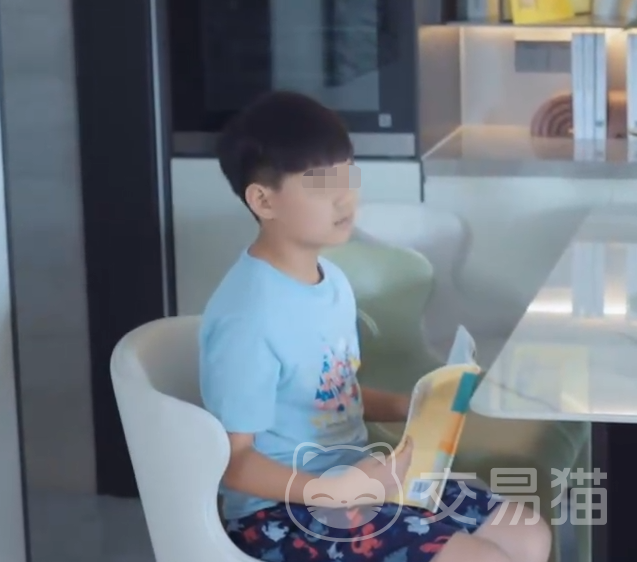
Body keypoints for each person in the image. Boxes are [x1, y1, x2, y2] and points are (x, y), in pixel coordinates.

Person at [199, 90, 551, 562]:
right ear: (264, 199)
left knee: (527, 534)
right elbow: (233, 462)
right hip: (280, 513)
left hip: (360, 480)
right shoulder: (247, 316)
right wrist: (333, 492)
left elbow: (332, 393)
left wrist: (413, 408)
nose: (344, 197)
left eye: (348, 176)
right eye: (320, 184)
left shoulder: (332, 282)